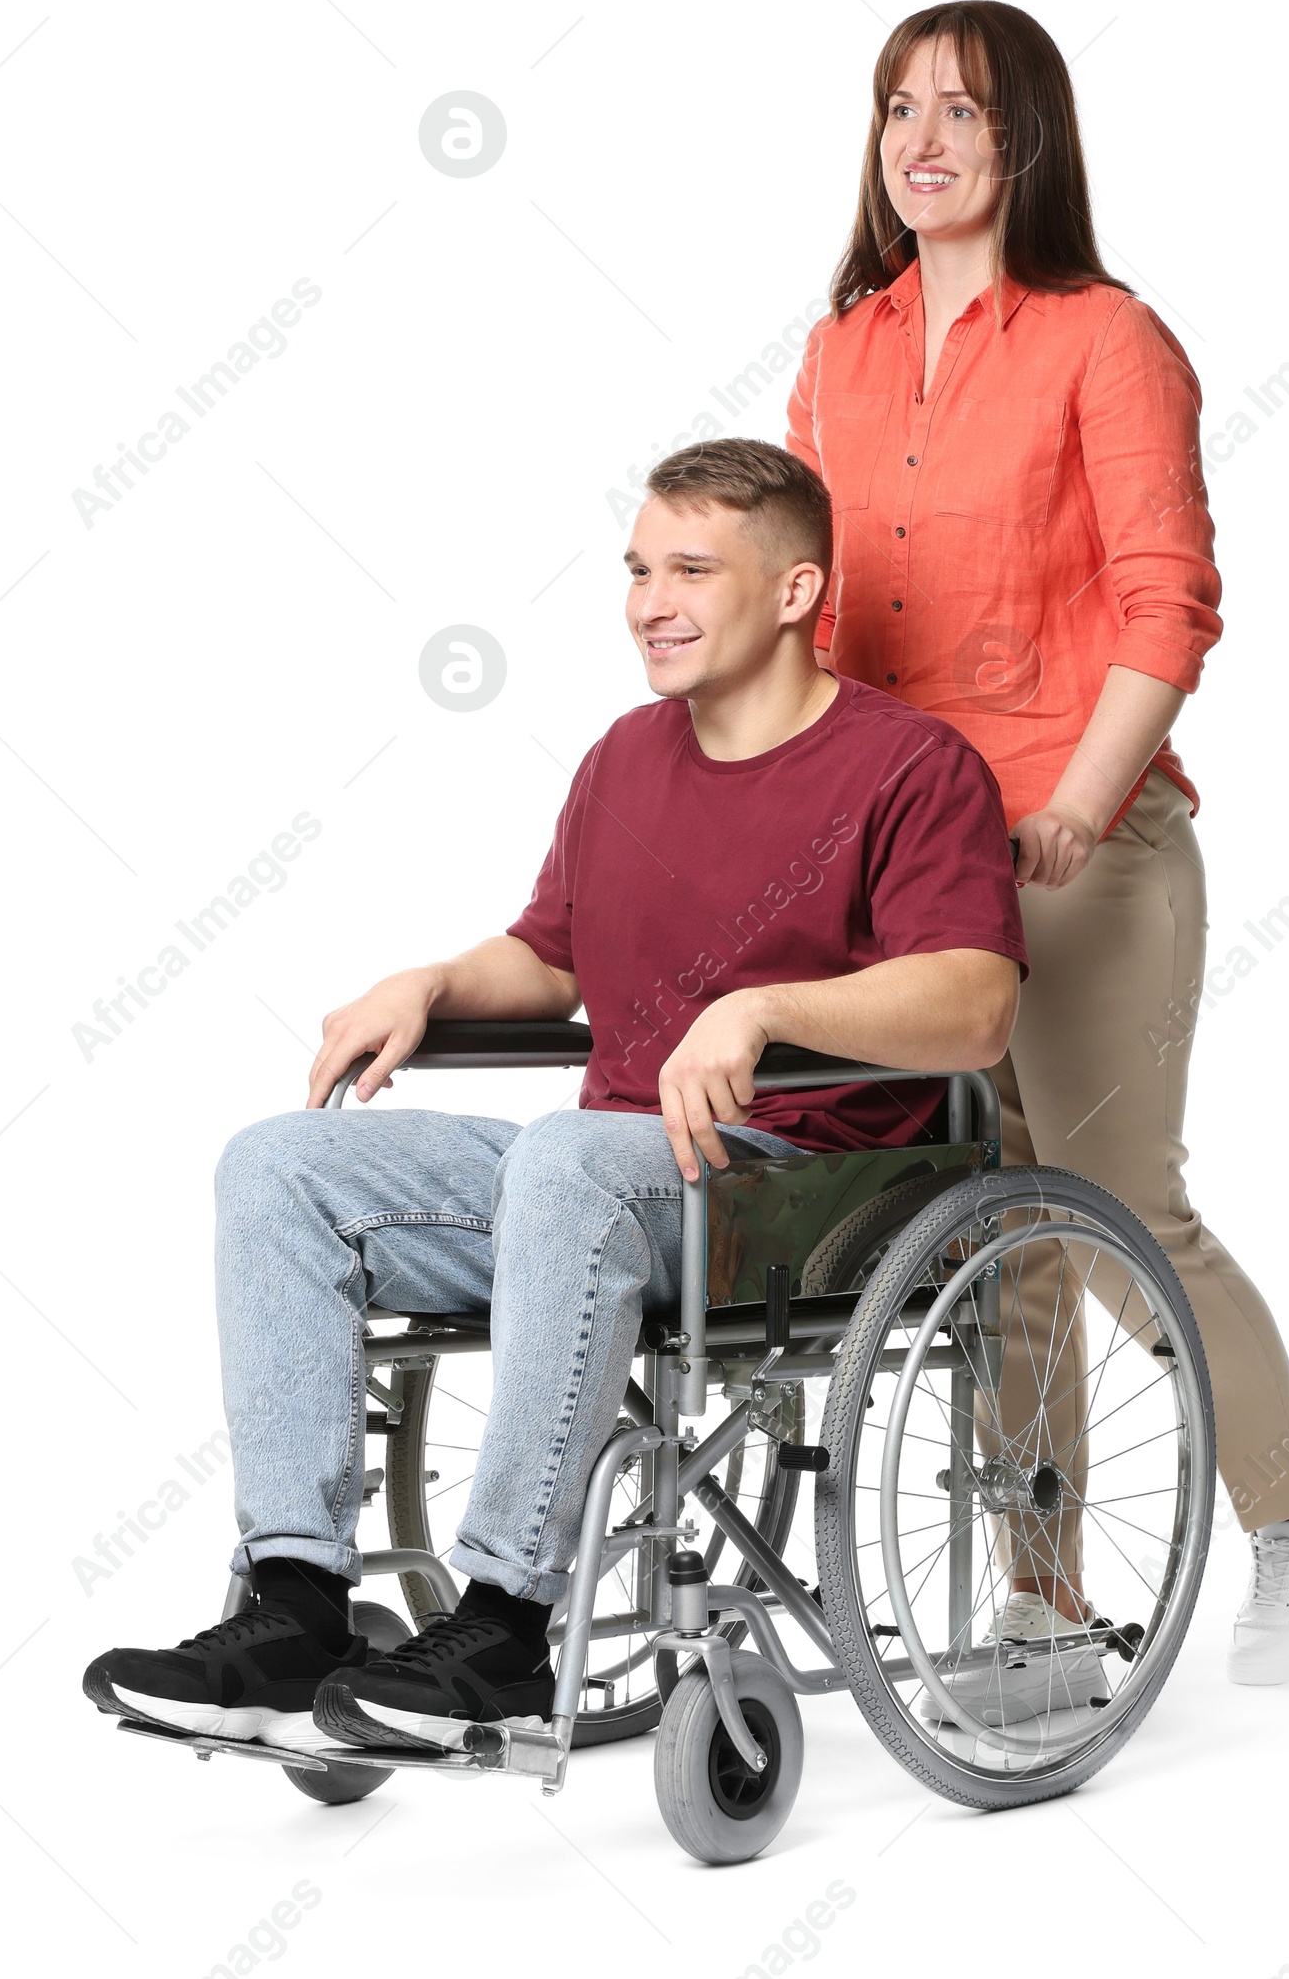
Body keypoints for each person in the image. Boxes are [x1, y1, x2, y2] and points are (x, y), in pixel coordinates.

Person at [82, 438, 1029, 1755]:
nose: (651, 599)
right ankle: (297, 1598)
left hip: (801, 1190)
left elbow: (976, 1001)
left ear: (801, 589)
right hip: (610, 1178)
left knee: (571, 1157)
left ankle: (510, 1621)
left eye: (692, 568)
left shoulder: (908, 766)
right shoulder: (623, 761)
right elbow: (552, 952)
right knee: (280, 1162)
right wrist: (438, 979)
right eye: (639, 567)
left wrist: (765, 1009)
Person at [785, 0, 1289, 1688]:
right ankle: (1039, 1608)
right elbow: (831, 626)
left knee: (1119, 1202)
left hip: (1084, 842)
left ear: (1027, 137)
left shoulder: (1104, 337)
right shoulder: (843, 349)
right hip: (917, 859)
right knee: (989, 1229)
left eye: (961, 110)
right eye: (899, 108)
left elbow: (1165, 602)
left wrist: (1076, 802)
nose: (923, 140)